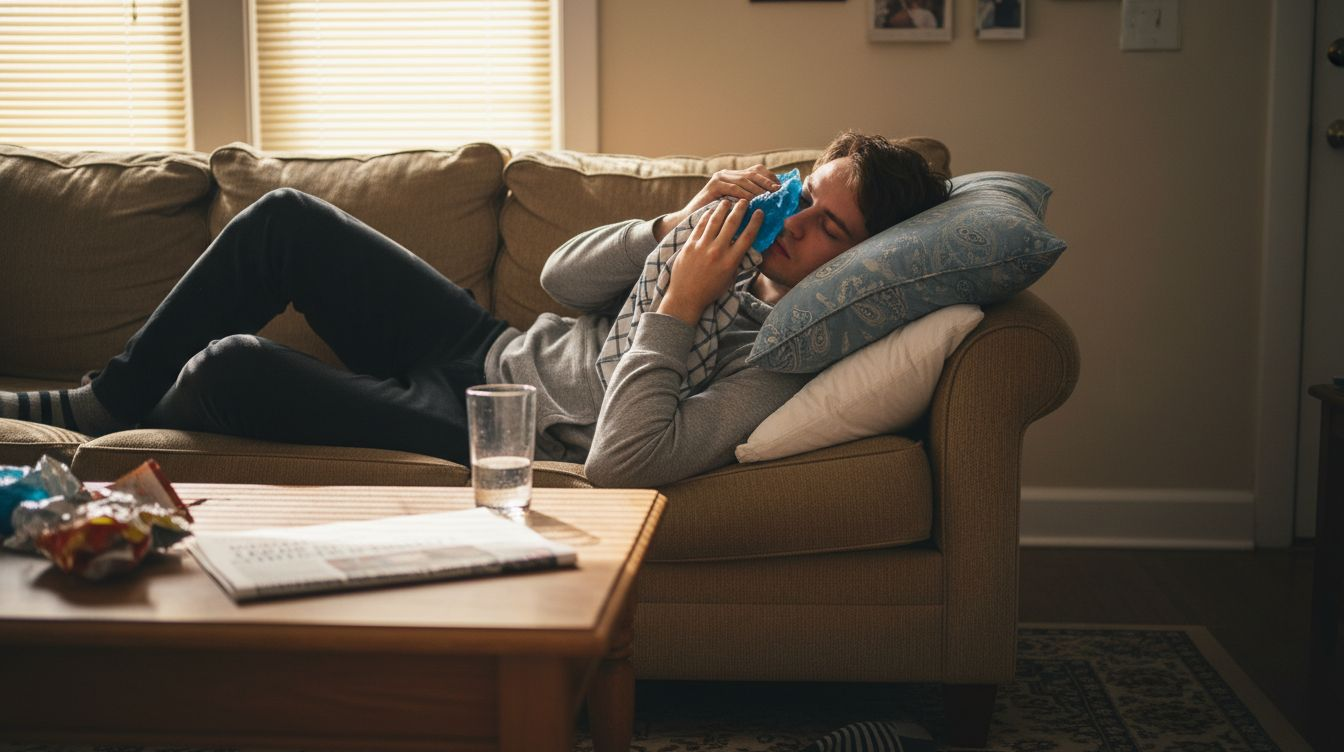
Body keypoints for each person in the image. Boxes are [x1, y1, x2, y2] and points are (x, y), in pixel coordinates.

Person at [0, 132, 950, 488]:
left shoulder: (784, 350)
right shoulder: (722, 246)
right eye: (806, 197)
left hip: (496, 430)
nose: (797, 225)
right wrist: (675, 224)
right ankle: (104, 404)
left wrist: (679, 308)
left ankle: (128, 413)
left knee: (232, 367)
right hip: (479, 343)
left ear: (864, 262)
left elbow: (626, 464)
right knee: (285, 219)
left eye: (829, 227)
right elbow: (565, 284)